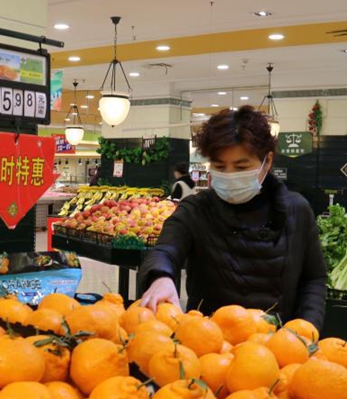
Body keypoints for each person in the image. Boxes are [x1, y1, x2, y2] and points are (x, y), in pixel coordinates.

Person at [139, 106, 327, 328]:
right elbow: (164, 251)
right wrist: (161, 278)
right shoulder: (195, 210)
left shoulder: (297, 210)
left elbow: (313, 278)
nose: (229, 175)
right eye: (219, 166)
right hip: (209, 346)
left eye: (241, 166)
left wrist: (306, 327)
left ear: (267, 161)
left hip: (280, 349)